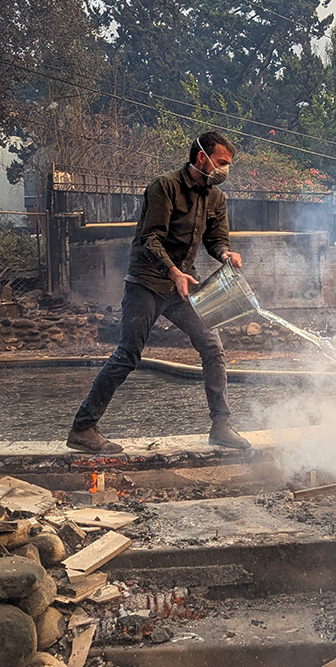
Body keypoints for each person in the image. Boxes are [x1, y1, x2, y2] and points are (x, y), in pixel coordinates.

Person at [67, 130, 250, 453]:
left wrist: (225, 254)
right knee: (127, 355)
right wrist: (173, 271)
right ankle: (83, 428)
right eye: (222, 162)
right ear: (201, 158)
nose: (225, 170)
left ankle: (221, 426)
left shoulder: (216, 199)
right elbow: (150, 238)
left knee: (212, 348)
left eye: (228, 164)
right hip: (147, 283)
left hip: (183, 287)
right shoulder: (164, 186)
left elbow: (216, 240)